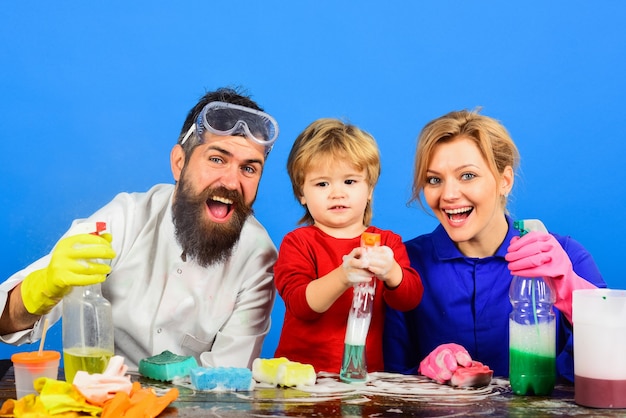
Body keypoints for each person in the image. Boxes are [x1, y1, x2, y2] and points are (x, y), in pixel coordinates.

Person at [0, 87, 280, 370]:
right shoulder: (125, 218)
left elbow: (225, 382)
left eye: (249, 169)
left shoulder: (257, 257)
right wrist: (43, 286)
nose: (232, 182)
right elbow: (4, 319)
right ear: (179, 163)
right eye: (217, 159)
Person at [384, 109, 606, 384]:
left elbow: (614, 359)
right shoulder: (404, 266)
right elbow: (384, 380)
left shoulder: (565, 256)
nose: (449, 195)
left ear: (505, 180)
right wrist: (422, 372)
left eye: (467, 176)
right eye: (434, 180)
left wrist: (572, 291)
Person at [273, 118, 423, 373]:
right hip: (300, 379)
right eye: (322, 183)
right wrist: (343, 276)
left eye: (350, 182)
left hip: (364, 377)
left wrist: (391, 273)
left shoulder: (387, 243)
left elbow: (409, 299)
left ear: (370, 189)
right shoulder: (297, 243)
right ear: (301, 193)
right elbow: (301, 305)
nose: (337, 193)